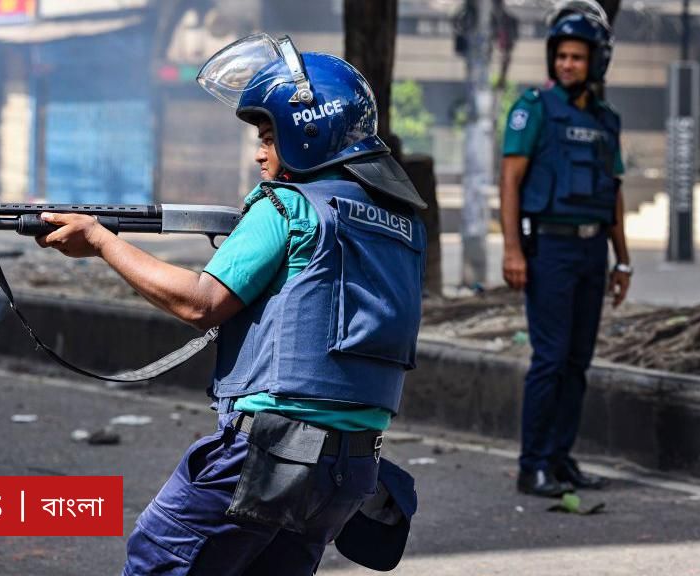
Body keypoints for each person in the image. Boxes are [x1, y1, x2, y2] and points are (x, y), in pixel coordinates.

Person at [35, 33, 425, 575]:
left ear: (306, 133)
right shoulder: (399, 223)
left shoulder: (286, 205)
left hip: (267, 455)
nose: (259, 151)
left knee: (158, 560)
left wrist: (101, 241)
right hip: (351, 468)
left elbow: (201, 302)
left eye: (269, 136)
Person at [499, 1, 632, 498]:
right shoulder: (533, 108)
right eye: (562, 56)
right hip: (549, 249)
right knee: (550, 359)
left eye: (577, 57)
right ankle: (531, 465)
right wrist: (512, 250)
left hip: (593, 252)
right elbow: (510, 182)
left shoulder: (606, 121)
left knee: (578, 361)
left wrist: (624, 259)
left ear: (596, 62)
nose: (567, 65)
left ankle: (560, 459)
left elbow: (613, 194)